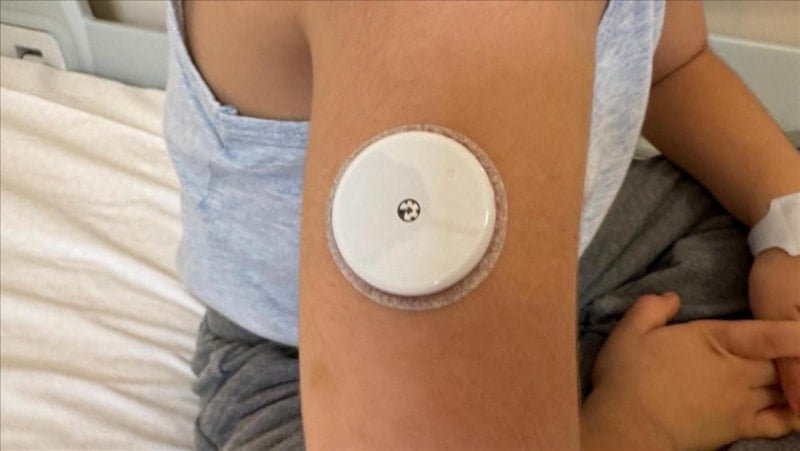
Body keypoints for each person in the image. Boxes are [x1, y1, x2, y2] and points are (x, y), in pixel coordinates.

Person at [163, 0, 800, 449]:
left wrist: (787, 226)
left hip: (593, 241)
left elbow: (671, 66)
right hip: (308, 369)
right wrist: (641, 427)